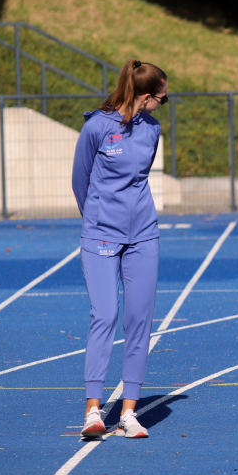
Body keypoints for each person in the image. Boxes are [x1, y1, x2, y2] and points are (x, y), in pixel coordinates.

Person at [72, 59, 168, 438]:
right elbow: (80, 180)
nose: (162, 105)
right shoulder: (96, 126)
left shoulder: (152, 129)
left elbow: (139, 180)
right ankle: (93, 410)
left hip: (143, 235)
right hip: (100, 235)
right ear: (146, 96)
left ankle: (129, 412)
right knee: (105, 314)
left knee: (139, 319)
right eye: (162, 98)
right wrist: (98, 220)